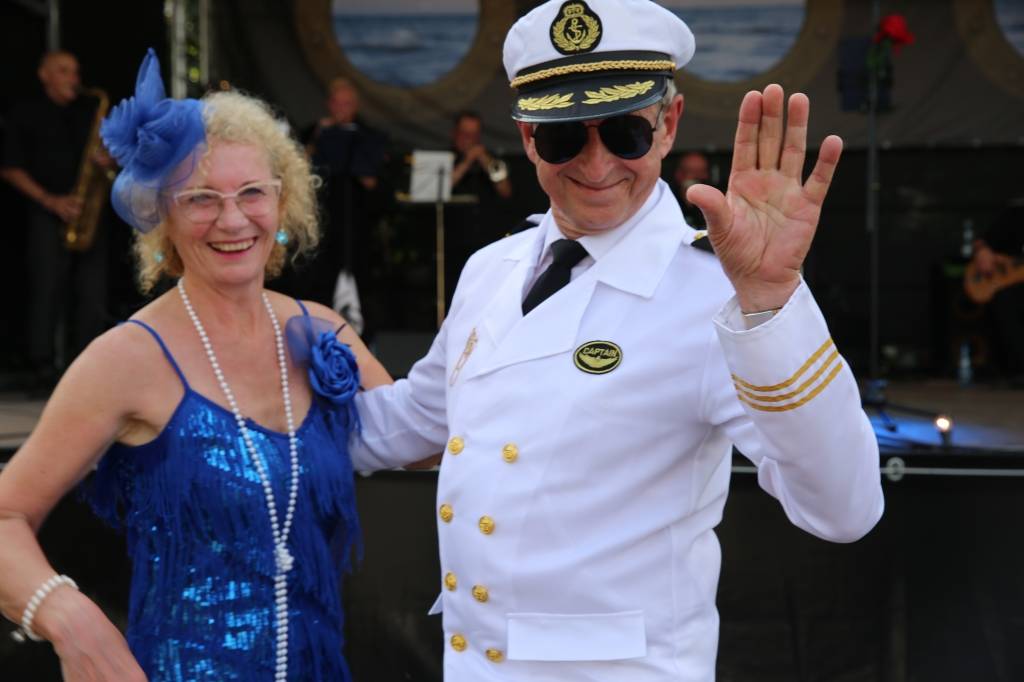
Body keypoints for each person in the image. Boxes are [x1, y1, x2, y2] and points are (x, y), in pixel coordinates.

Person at [348, 1, 884, 679]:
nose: (597, 164)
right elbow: (410, 422)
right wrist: (258, 393)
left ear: (669, 124)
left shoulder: (720, 293)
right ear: (528, 136)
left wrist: (772, 304)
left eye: (626, 132)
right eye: (563, 137)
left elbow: (844, 508)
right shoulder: (491, 269)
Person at [0, 49, 390, 681]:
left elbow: (432, 441)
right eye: (201, 198)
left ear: (283, 202)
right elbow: (5, 515)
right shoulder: (128, 357)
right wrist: (68, 617)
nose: (232, 219)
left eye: (252, 193)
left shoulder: (323, 329)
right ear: (163, 217)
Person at [1, 50, 111, 390]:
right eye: (63, 71)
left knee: (93, 292)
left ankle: (87, 366)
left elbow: (111, 160)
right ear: (44, 75)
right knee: (47, 289)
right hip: (46, 213)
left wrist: (108, 161)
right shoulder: (25, 114)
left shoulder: (89, 112)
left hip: (87, 212)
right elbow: (10, 168)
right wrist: (50, 200)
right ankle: (42, 367)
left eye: (75, 72)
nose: (73, 79)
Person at [301, 77, 388, 331]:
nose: (341, 109)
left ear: (355, 105)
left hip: (359, 222)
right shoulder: (315, 132)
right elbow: (299, 167)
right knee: (322, 282)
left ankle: (364, 341)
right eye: (337, 104)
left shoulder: (368, 136)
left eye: (347, 104)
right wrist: (319, 135)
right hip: (325, 220)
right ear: (330, 104)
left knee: (364, 284)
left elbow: (376, 182)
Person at [445, 110, 515, 306]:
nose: (469, 139)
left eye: (474, 135)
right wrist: (467, 161)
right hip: (455, 237)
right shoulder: (446, 158)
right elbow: (441, 189)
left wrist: (484, 159)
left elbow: (505, 189)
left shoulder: (492, 160)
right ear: (455, 134)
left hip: (486, 237)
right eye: (465, 134)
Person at [971, 202, 1024, 384]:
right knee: (1005, 302)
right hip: (1009, 286)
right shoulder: (1016, 214)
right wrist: (982, 251)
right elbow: (982, 241)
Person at [672, 150, 712, 229]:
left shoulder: (713, 203)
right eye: (691, 171)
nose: (697, 176)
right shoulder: (668, 202)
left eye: (701, 171)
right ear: (679, 174)